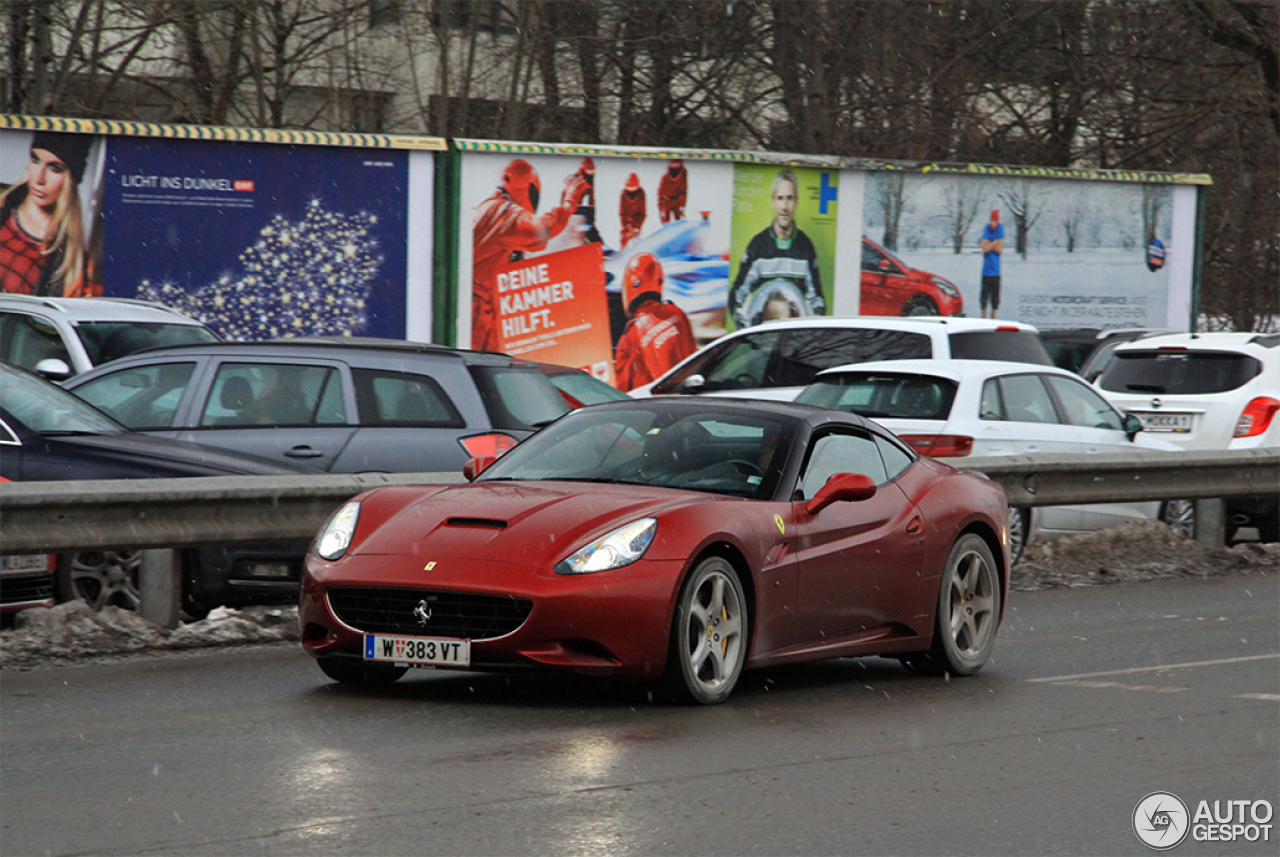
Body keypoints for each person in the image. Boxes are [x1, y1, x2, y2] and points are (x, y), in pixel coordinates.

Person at [471, 159, 588, 351]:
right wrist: (569, 204)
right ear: (529, 190)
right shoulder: (504, 212)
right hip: (478, 305)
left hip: (479, 303)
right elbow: (539, 232)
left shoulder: (487, 209)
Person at [1, 131, 99, 297]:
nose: (40, 178)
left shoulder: (67, 257)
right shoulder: (4, 207)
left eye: (55, 169)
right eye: (35, 160)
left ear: (70, 179)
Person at [728, 169, 824, 329]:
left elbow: (817, 300)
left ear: (796, 203)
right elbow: (738, 293)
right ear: (772, 202)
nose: (784, 206)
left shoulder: (805, 247)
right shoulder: (758, 245)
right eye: (780, 199)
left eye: (789, 198)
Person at [613, 252, 697, 392]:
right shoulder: (677, 313)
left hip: (654, 407)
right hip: (689, 396)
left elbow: (622, 388)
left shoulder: (630, 335)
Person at [980, 209, 1004, 319]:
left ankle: (993, 317)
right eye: (991, 220)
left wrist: (990, 244)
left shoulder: (1000, 229)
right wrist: (994, 242)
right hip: (986, 271)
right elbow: (984, 249)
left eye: (995, 221)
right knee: (984, 297)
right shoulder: (986, 228)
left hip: (996, 271)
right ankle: (983, 317)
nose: (992, 223)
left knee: (995, 297)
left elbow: (999, 249)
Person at [618, 173, 646, 249]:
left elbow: (642, 214)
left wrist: (636, 226)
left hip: (636, 222)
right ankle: (622, 254)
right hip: (626, 222)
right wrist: (626, 225)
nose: (631, 191)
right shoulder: (623, 194)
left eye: (633, 188)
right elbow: (622, 213)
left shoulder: (641, 194)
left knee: (636, 241)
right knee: (624, 239)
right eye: (629, 188)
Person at [657, 158, 687, 223]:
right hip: (667, 201)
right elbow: (661, 194)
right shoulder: (665, 178)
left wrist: (682, 206)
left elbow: (683, 192)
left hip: (677, 200)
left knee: (680, 220)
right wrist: (661, 207)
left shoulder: (683, 177)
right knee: (666, 221)